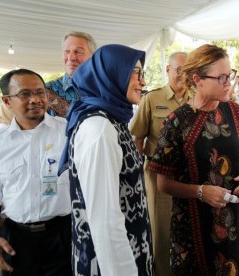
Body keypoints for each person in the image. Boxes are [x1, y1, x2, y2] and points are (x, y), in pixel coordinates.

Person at [149, 44, 239, 275]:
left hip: (233, 225)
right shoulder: (176, 122)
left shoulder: (236, 114)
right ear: (197, 80)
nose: (229, 82)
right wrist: (200, 191)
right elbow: (163, 183)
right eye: (222, 77)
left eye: (231, 75)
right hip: (192, 228)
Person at [61, 44, 153, 275]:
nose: (142, 82)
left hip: (128, 251)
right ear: (111, 74)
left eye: (143, 74)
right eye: (136, 73)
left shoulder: (111, 120)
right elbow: (105, 221)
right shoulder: (99, 128)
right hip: (112, 262)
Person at [0, 69, 71, 275]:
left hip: (64, 235)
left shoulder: (68, 133)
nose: (35, 99)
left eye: (40, 92)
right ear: (6, 101)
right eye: (25, 94)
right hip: (17, 240)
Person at [131, 51, 190, 276]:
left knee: (187, 228)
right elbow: (138, 137)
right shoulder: (151, 99)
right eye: (179, 70)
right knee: (162, 232)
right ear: (168, 70)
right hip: (157, 176)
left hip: (189, 176)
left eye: (188, 71)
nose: (184, 76)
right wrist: (137, 173)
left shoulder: (195, 98)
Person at [0, 31, 96, 134]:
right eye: (67, 51)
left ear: (93, 57)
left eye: (78, 52)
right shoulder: (43, 91)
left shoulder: (103, 91)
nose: (71, 57)